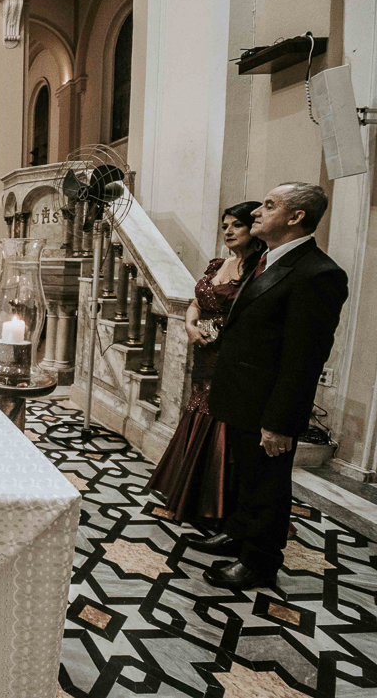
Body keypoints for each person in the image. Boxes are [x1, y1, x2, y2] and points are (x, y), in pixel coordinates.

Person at [187, 183, 348, 590]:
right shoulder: (266, 262)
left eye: (269, 206)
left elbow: (304, 358)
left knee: (267, 485)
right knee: (244, 475)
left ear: (296, 218)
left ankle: (259, 561)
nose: (257, 211)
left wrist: (280, 422)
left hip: (268, 407)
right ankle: (239, 533)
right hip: (239, 396)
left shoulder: (318, 274)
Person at [147, 202, 263, 523]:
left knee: (220, 416)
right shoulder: (218, 265)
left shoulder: (259, 270)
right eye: (225, 225)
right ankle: (186, 493)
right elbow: (196, 302)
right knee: (197, 409)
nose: (227, 231)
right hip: (204, 350)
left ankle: (216, 502)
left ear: (254, 229)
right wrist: (189, 324)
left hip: (231, 354)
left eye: (236, 225)